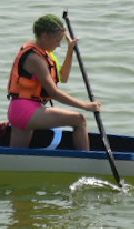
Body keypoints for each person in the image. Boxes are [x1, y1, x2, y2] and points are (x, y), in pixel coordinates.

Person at [6, 14, 101, 151]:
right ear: (45, 36)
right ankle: (84, 164)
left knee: (16, 157)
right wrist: (85, 105)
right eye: (57, 41)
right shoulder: (35, 59)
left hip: (19, 111)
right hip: (26, 111)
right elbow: (54, 93)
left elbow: (64, 77)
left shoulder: (46, 54)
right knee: (79, 120)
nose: (58, 45)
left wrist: (70, 50)